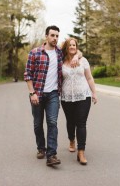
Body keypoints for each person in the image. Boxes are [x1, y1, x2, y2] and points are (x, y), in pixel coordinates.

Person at [24, 25, 80, 167]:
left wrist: (77, 56)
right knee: (37, 124)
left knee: (52, 122)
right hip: (37, 93)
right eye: (52, 35)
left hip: (54, 94)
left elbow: (76, 50)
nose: (55, 38)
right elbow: (28, 74)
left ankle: (51, 155)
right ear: (46, 36)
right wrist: (32, 93)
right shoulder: (35, 53)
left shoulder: (60, 52)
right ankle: (41, 148)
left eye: (57, 36)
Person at [60, 37, 97, 165]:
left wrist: (94, 93)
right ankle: (71, 139)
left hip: (83, 96)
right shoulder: (61, 61)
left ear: (77, 47)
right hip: (66, 97)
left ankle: (81, 151)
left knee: (81, 123)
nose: (72, 47)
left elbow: (89, 78)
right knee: (70, 122)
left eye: (74, 45)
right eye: (70, 45)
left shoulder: (83, 60)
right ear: (66, 47)